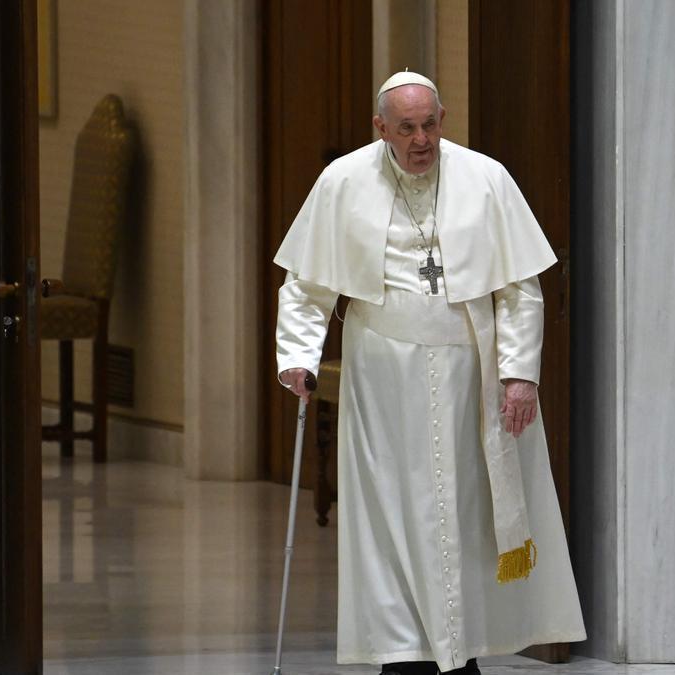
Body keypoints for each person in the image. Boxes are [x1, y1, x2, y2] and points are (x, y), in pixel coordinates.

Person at [272, 71, 585, 675]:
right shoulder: (342, 183)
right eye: (408, 128)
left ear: (443, 119)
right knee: (391, 515)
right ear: (380, 128)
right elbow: (306, 287)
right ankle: (404, 651)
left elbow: (520, 288)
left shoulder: (486, 178)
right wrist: (297, 356)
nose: (422, 141)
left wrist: (520, 374)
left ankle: (458, 645)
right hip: (382, 383)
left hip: (471, 379)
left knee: (465, 518)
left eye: (431, 125)